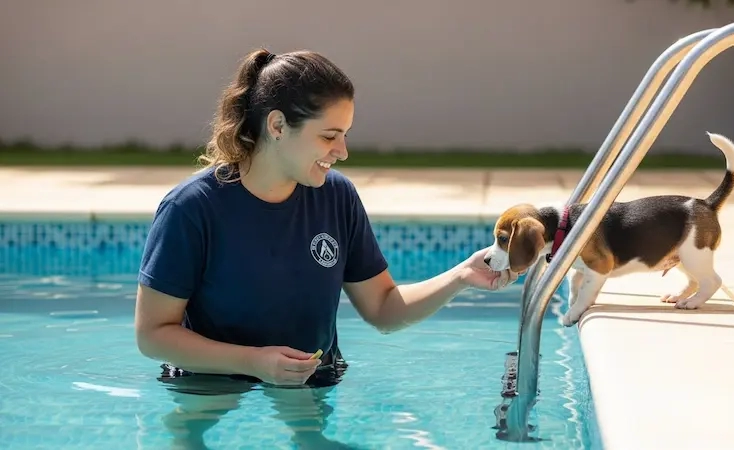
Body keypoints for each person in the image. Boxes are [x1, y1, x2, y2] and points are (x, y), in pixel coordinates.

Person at [133, 47, 518, 449]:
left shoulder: (336, 197)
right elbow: (153, 334)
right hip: (209, 380)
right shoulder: (192, 208)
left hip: (309, 380)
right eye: (329, 136)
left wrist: (460, 277)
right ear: (278, 126)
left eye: (345, 135)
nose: (343, 151)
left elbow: (384, 309)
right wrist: (253, 361)